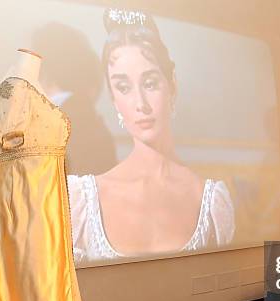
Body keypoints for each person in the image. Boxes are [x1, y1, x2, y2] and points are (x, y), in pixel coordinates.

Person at [68, 8, 235, 265]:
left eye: (150, 83)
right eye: (123, 87)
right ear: (114, 99)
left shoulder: (212, 202)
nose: (140, 104)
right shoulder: (81, 200)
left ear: (172, 86)